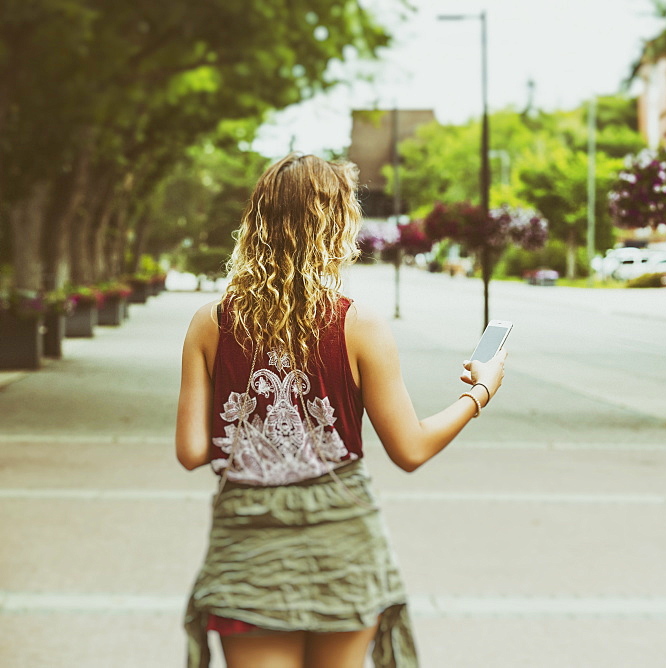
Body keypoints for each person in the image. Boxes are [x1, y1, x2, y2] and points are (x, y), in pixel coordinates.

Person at [175, 153, 506, 668]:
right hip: (343, 544)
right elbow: (411, 450)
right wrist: (479, 393)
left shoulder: (210, 323)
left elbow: (193, 451)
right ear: (336, 227)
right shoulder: (360, 325)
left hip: (248, 548)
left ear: (258, 224)